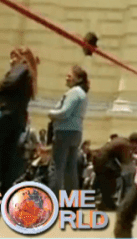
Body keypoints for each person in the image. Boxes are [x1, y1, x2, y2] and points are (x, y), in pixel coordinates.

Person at [0, 47, 39, 193]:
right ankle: (4, 192)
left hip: (4, 117)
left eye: (15, 56)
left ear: (22, 57)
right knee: (9, 157)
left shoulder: (21, 69)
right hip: (17, 120)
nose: (11, 60)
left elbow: (5, 85)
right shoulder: (30, 76)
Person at [48, 65, 89, 195]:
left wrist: (51, 113)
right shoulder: (83, 94)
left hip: (64, 132)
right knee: (71, 168)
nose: (66, 78)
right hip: (76, 132)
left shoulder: (73, 92)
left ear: (77, 79)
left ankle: (53, 199)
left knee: (57, 167)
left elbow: (64, 112)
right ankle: (72, 201)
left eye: (70, 76)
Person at [90, 134, 137, 211]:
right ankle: (106, 205)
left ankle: (106, 204)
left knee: (105, 184)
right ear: (135, 143)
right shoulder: (126, 145)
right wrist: (132, 156)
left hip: (99, 161)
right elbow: (125, 160)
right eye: (136, 146)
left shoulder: (122, 140)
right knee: (110, 185)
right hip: (105, 163)